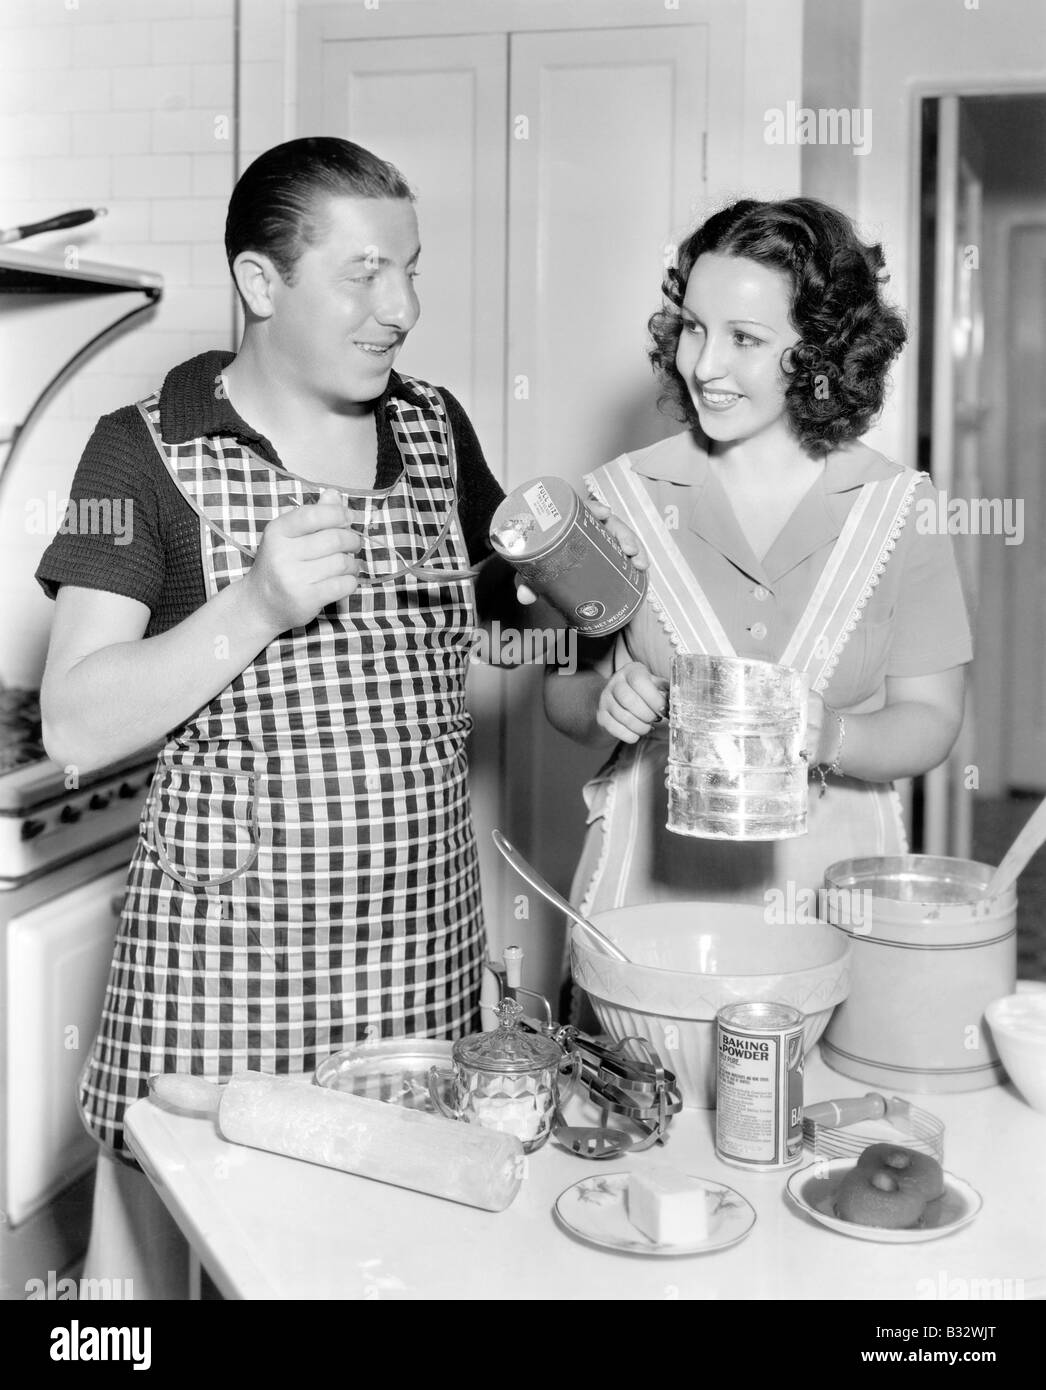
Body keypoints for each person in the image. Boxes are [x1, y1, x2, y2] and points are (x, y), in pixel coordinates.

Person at [35, 136, 639, 1296]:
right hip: (223, 963)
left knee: (383, 1257)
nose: (400, 307)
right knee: (155, 1269)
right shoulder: (140, 450)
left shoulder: (430, 429)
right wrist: (255, 604)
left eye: (408, 269)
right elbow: (74, 724)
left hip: (416, 948)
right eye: (363, 274)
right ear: (262, 285)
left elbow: (522, 620)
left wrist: (603, 617)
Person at [544, 197, 972, 920]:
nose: (704, 364)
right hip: (650, 900)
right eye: (695, 329)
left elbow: (930, 717)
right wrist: (601, 704)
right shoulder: (616, 498)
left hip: (838, 897)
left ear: (822, 351)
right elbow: (562, 693)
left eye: (744, 336)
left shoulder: (900, 510)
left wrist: (833, 735)